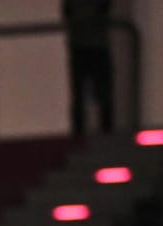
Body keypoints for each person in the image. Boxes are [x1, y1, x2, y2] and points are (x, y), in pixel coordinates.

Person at [64, 0, 115, 135]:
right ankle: (83, 133)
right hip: (87, 47)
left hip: (92, 47)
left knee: (100, 94)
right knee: (85, 94)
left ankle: (100, 131)